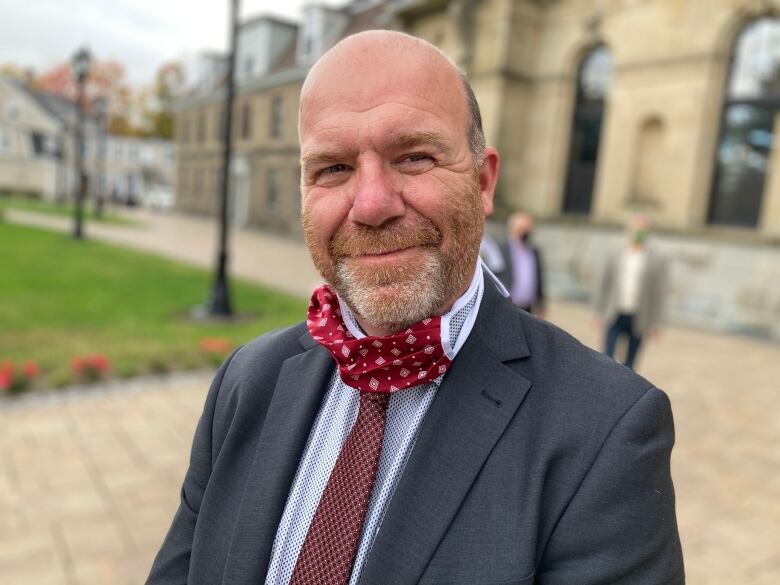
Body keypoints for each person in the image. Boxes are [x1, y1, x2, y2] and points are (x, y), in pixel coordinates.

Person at [147, 31, 683, 585]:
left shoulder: (607, 430)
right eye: (333, 168)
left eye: (415, 157)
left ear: (482, 181)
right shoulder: (245, 380)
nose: (373, 204)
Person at [594, 215, 668, 370]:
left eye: (643, 230)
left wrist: (656, 323)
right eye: (636, 228)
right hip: (615, 313)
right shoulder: (616, 254)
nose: (639, 232)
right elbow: (604, 284)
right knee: (606, 357)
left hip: (639, 317)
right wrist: (598, 311)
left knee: (631, 363)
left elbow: (659, 294)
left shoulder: (657, 259)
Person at [496, 212, 546, 315]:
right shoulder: (501, 249)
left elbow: (539, 278)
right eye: (522, 228)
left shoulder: (534, 251)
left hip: (528, 308)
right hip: (507, 305)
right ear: (512, 228)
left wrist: (541, 303)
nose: (526, 232)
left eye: (528, 228)